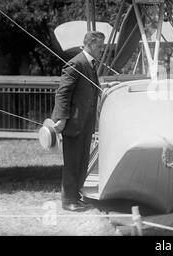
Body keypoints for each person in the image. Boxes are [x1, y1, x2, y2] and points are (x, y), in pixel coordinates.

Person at [52, 31, 105, 212]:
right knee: (73, 163)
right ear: (89, 45)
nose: (101, 49)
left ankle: (76, 196)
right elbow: (63, 93)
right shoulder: (76, 63)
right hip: (73, 124)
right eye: (99, 46)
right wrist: (60, 119)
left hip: (85, 124)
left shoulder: (90, 64)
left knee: (82, 162)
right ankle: (69, 201)